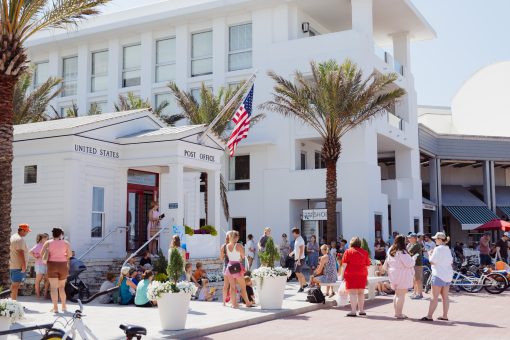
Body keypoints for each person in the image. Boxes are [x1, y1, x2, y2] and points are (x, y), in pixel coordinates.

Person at [421, 232, 454, 322]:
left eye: (436, 239)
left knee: (434, 297)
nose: (435, 240)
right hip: (447, 275)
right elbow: (451, 261)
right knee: (445, 297)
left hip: (438, 274)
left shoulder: (437, 249)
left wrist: (430, 253)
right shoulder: (448, 249)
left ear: (440, 239)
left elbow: (431, 261)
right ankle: (445, 315)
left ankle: (429, 316)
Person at [383, 235, 416, 319]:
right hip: (402, 273)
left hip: (393, 273)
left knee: (397, 294)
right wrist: (413, 259)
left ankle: (396, 312)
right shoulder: (402, 251)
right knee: (401, 295)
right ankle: (399, 313)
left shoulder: (391, 249)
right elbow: (409, 264)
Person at [41, 227, 72, 313]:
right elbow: (69, 255)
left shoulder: (48, 243)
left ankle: (55, 308)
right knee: (62, 287)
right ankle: (64, 306)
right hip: (63, 265)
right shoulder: (66, 243)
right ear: (61, 234)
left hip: (52, 265)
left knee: (53, 288)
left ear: (52, 234)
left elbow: (41, 254)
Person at [339, 237, 371, 317]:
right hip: (362, 274)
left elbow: (344, 265)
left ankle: (353, 311)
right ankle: (361, 310)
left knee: (353, 293)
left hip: (351, 274)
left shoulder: (348, 251)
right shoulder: (365, 252)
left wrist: (342, 276)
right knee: (361, 293)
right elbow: (367, 265)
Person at [223, 231, 253, 308]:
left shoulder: (227, 245)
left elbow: (227, 256)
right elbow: (243, 256)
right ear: (236, 237)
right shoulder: (239, 245)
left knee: (232, 287)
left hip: (229, 266)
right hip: (237, 266)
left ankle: (234, 304)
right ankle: (247, 302)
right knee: (243, 287)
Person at [10, 224, 31, 300]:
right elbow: (20, 252)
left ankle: (12, 302)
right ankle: (14, 304)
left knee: (14, 285)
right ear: (22, 230)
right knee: (16, 285)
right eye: (26, 231)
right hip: (17, 266)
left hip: (13, 264)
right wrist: (24, 265)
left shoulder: (13, 237)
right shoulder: (19, 239)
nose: (27, 233)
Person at [29, 233, 49, 299]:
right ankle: (38, 295)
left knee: (47, 280)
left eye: (48, 238)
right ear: (42, 239)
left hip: (47, 265)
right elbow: (30, 252)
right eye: (46, 238)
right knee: (38, 280)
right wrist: (36, 257)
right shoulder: (38, 245)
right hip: (40, 265)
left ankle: (45, 294)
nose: (47, 239)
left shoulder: (47, 245)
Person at [289, 228, 307, 292]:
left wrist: (299, 260)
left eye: (293, 233)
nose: (292, 235)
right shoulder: (297, 239)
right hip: (298, 259)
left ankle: (302, 286)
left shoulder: (300, 240)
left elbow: (301, 250)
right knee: (298, 272)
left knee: (297, 272)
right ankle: (304, 284)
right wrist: (292, 253)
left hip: (300, 259)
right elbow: (296, 249)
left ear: (295, 233)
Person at [406, 233, 424, 299]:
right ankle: (415, 293)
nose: (408, 239)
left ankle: (420, 294)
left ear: (414, 238)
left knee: (418, 279)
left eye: (409, 238)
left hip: (417, 264)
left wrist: (407, 247)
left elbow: (407, 252)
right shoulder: (412, 244)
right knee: (415, 279)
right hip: (414, 264)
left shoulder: (416, 245)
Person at [219, 234, 230, 306]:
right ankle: (232, 301)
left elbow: (221, 258)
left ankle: (224, 302)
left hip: (226, 266)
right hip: (234, 266)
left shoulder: (223, 246)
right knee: (232, 285)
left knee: (226, 285)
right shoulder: (234, 245)